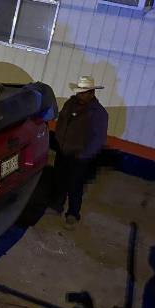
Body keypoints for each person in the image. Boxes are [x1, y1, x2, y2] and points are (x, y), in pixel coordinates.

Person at [50, 75, 108, 227]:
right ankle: (57, 205)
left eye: (83, 92)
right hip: (63, 151)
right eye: (79, 92)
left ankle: (73, 213)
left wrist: (84, 155)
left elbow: (98, 139)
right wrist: (59, 140)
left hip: (79, 156)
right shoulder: (70, 104)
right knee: (59, 180)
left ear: (92, 93)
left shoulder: (98, 113)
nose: (80, 95)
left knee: (75, 185)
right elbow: (61, 121)